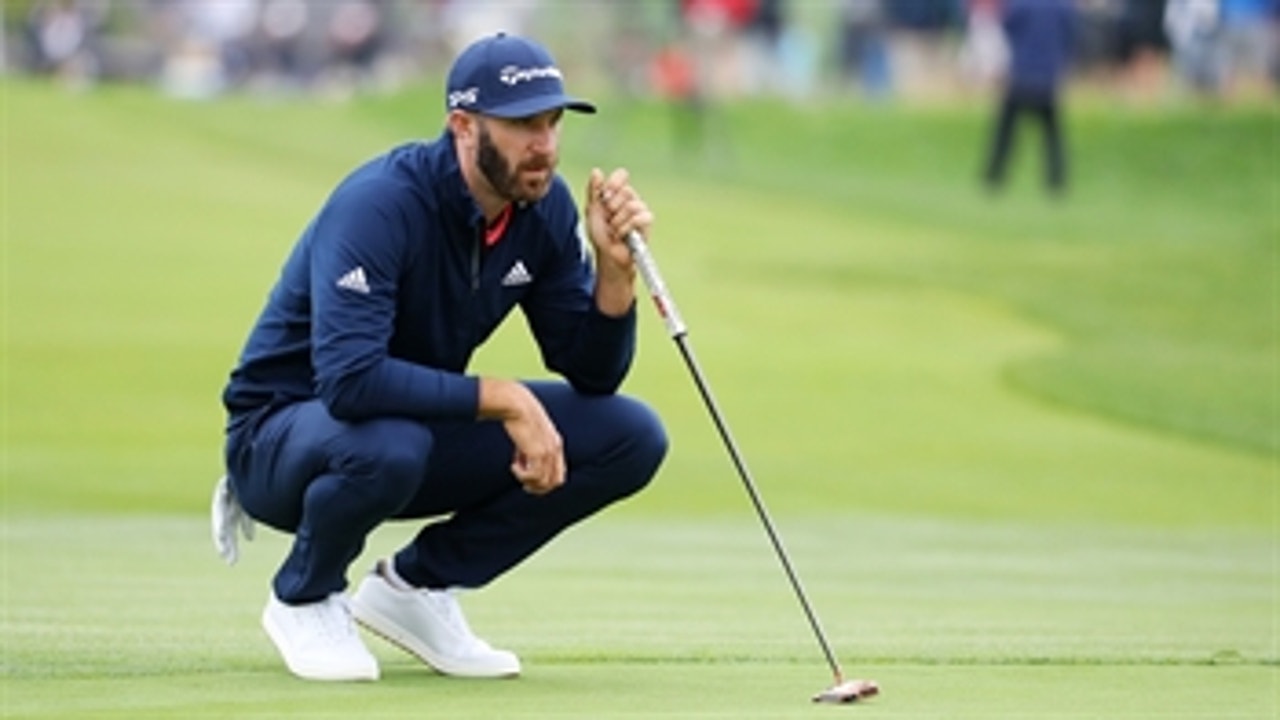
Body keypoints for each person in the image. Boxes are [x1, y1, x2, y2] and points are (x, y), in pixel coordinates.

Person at [211, 31, 669, 683]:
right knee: (387, 443)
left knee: (628, 435)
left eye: (552, 121)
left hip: (407, 434)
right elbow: (349, 383)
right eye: (521, 126)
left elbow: (592, 372)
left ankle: (416, 589)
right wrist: (507, 398)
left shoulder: (540, 209)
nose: (544, 144)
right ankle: (304, 596)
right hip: (280, 439)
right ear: (462, 125)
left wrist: (614, 276)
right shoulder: (381, 203)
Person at [981, 0, 1076, 196]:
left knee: (1005, 133)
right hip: (1048, 76)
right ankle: (1056, 181)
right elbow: (1071, 35)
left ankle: (994, 177)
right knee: (1052, 135)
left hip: (1021, 73)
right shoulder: (1063, 6)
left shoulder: (1020, 4)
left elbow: (1006, 28)